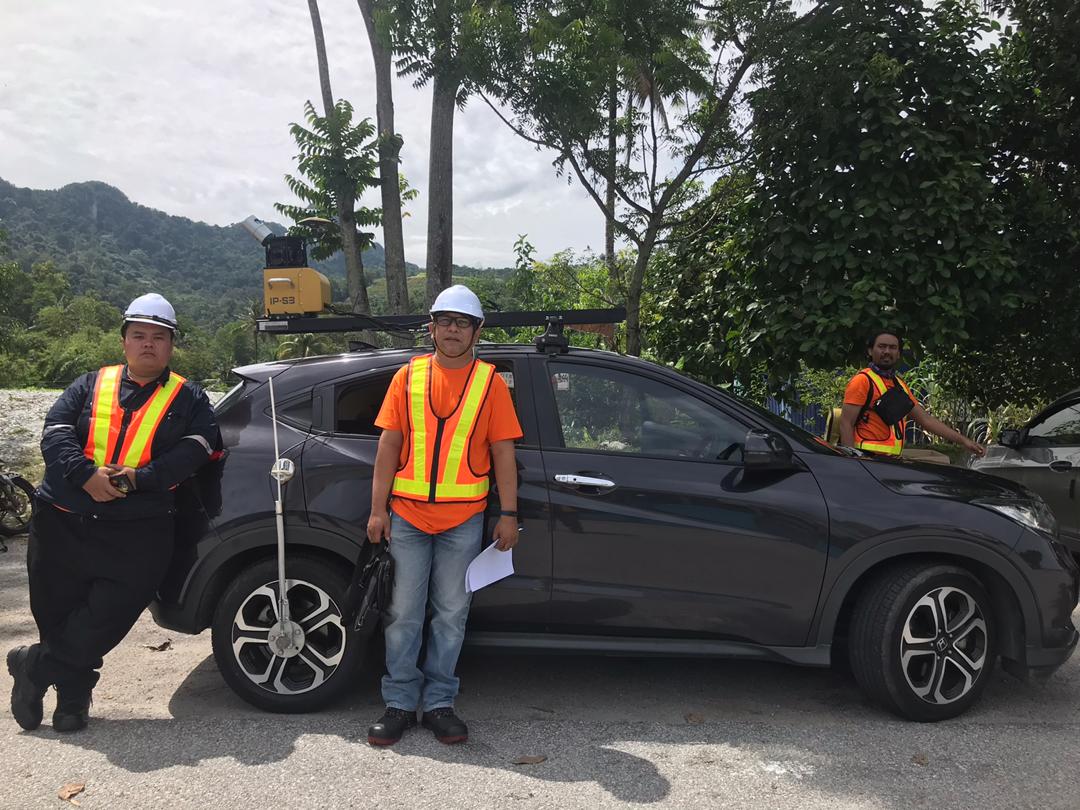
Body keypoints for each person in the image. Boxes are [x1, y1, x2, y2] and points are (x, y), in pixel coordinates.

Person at [7, 293, 220, 733]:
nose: (148, 344)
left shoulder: (190, 397)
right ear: (124, 341)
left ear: (171, 345)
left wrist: (137, 479)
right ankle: (72, 701)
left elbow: (197, 449)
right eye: (139, 335)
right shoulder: (88, 384)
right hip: (64, 516)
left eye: (158, 337)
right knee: (57, 612)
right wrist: (85, 475)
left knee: (111, 613)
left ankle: (35, 666)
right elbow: (56, 432)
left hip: (138, 527)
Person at [365, 285, 522, 746]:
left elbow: (503, 453)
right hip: (408, 517)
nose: (453, 330)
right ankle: (398, 703)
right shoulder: (407, 377)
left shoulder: (489, 382)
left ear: (476, 331)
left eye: (463, 323)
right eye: (446, 321)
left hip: (464, 520)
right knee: (403, 614)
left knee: (451, 615)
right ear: (432, 328)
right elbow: (388, 447)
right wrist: (378, 510)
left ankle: (438, 704)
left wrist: (509, 512)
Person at [839, 329, 985, 458]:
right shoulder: (862, 381)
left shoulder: (899, 384)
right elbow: (846, 423)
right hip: (866, 459)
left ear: (898, 354)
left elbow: (926, 420)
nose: (887, 351)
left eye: (893, 348)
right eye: (881, 346)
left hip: (891, 461)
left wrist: (964, 441)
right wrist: (853, 462)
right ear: (870, 351)